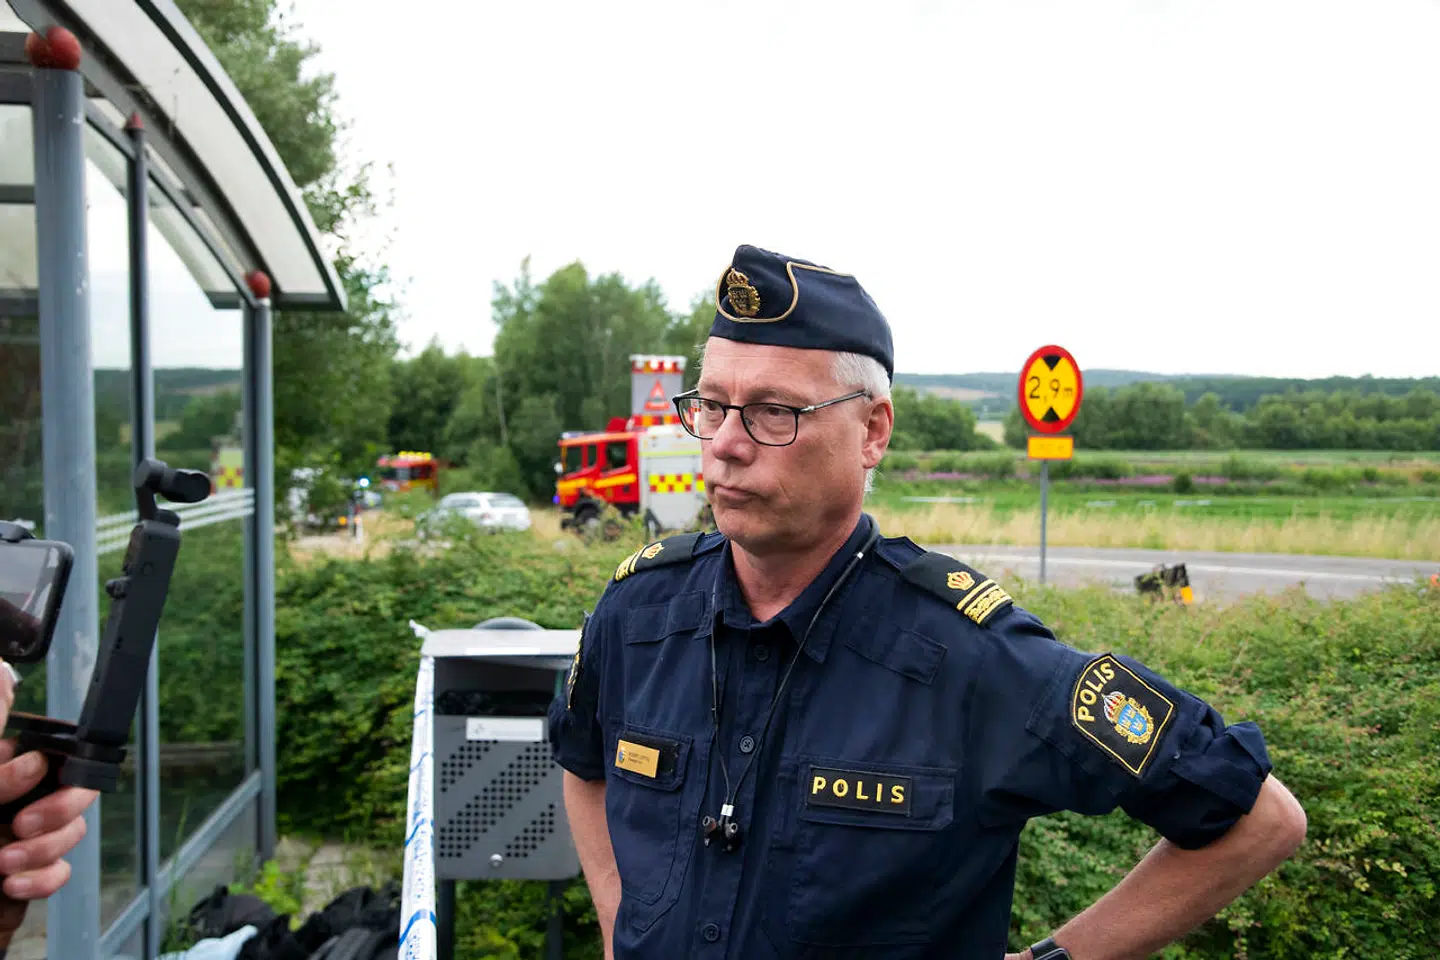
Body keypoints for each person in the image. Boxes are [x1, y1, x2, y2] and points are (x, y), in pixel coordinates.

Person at [548, 244, 1306, 960]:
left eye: (775, 411)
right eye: (712, 405)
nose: (725, 444)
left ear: (872, 430)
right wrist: (621, 925)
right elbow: (582, 761)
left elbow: (1258, 819)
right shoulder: (638, 614)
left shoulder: (971, 656)